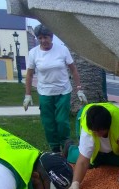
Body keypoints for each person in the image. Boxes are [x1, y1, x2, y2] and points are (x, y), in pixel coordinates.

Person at [22, 24, 88, 152]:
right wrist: (27, 95)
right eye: (40, 38)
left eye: (45, 37)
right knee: (48, 122)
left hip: (63, 91)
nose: (43, 41)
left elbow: (73, 70)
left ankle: (66, 144)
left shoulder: (62, 50)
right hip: (45, 92)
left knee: (61, 120)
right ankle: (55, 147)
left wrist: (79, 89)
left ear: (51, 37)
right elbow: (29, 75)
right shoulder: (33, 53)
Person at [64, 103, 119, 189]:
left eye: (100, 131)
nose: (97, 134)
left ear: (108, 127)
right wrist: (75, 183)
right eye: (95, 131)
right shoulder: (87, 128)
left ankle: (100, 156)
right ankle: (70, 148)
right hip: (84, 114)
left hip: (105, 120)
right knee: (89, 162)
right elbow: (83, 160)